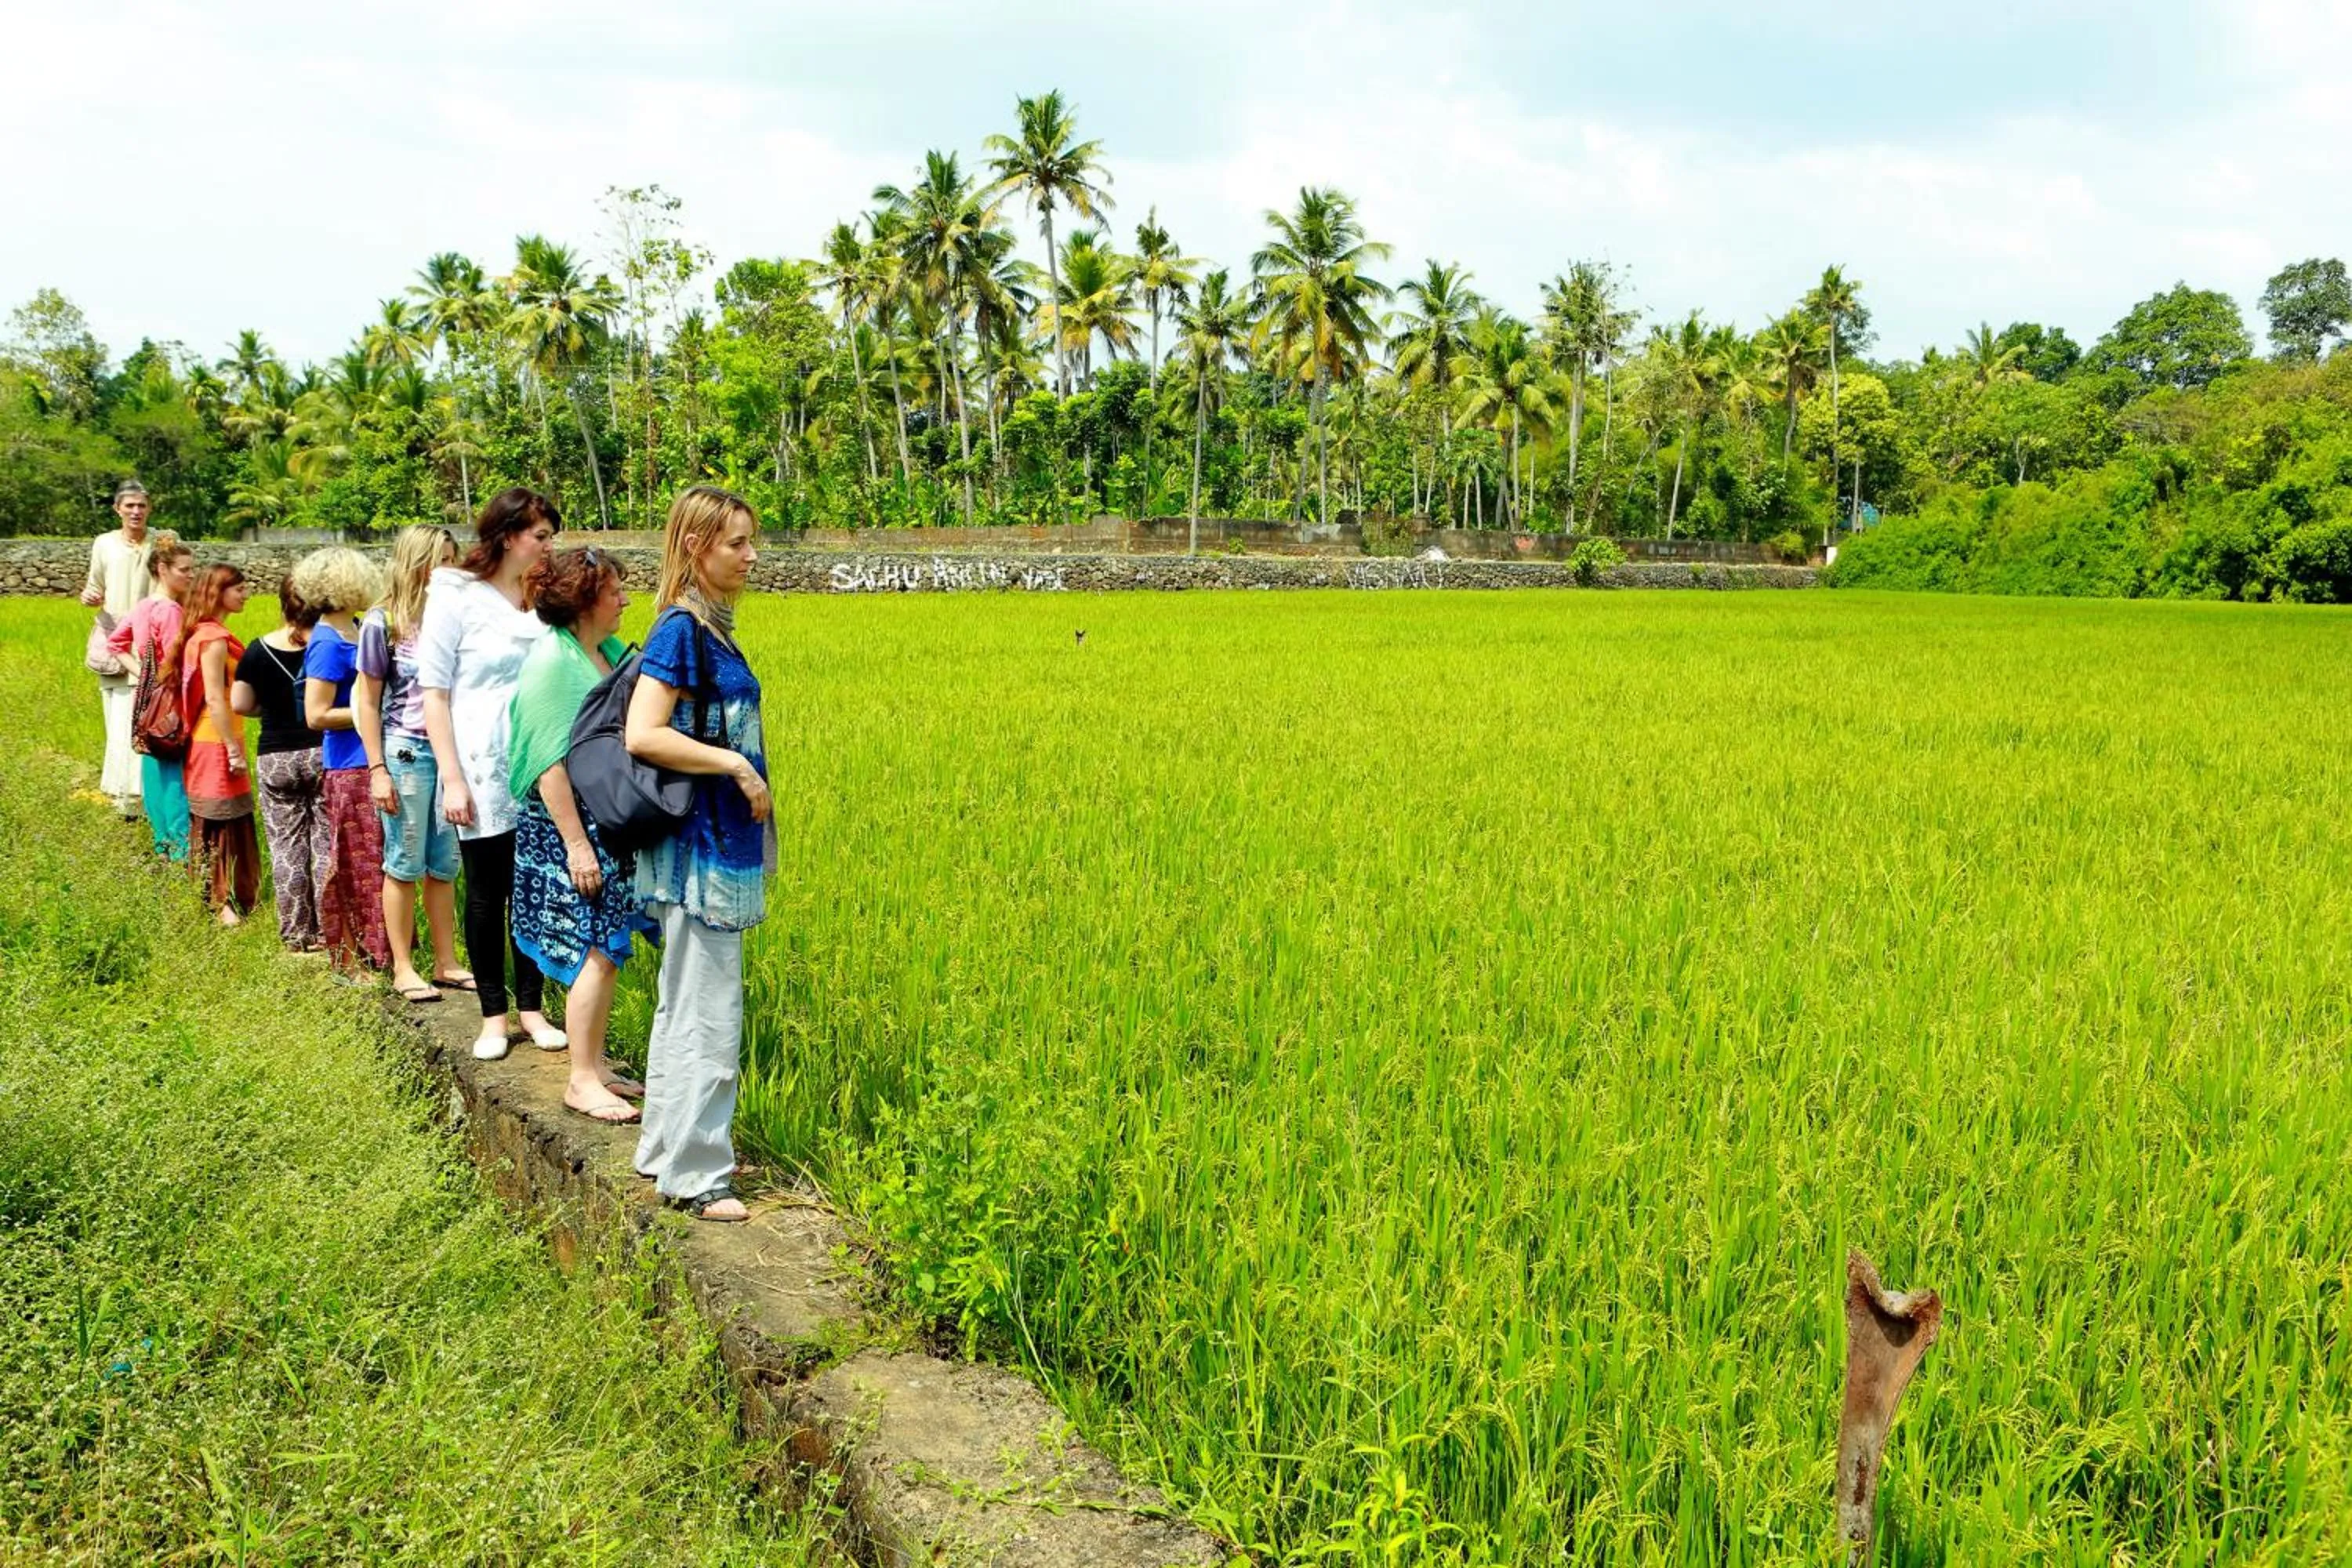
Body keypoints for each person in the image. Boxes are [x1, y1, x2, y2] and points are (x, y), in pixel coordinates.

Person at [625, 486, 771, 1223]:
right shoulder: (682, 630)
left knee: (682, 1004)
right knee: (710, 1012)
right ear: (694, 549)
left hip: (714, 848)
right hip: (702, 854)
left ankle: (663, 1150)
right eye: (735, 543)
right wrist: (736, 767)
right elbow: (643, 732)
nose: (751, 555)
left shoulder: (709, 628)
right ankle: (698, 1173)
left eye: (750, 541)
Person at [509, 547, 654, 1124]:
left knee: (609, 947)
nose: (624, 600)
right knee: (594, 947)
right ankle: (581, 1079)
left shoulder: (605, 652)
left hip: (605, 823)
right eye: (615, 590)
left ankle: (594, 1063)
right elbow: (549, 763)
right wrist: (576, 845)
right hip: (569, 827)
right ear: (586, 599)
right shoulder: (553, 663)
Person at [418, 488, 562, 1058]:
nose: (550, 546)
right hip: (479, 764)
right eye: (542, 536)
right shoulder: (456, 596)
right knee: (486, 892)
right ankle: (493, 1017)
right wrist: (452, 778)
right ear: (508, 537)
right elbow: (435, 693)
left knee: (533, 887)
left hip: (536, 763)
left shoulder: (537, 595)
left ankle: (533, 1009)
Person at [355, 525, 472, 1003]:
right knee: (404, 860)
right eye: (440, 559)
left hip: (453, 754)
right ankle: (403, 965)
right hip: (406, 749)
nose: (450, 568)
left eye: (453, 558)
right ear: (416, 563)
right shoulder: (383, 623)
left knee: (444, 862)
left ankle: (446, 961)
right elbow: (366, 700)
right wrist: (376, 768)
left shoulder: (457, 620)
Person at [296, 548, 393, 981]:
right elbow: (316, 715)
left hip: (371, 756)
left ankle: (379, 952)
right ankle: (351, 959)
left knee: (379, 863)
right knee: (356, 865)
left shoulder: (355, 630)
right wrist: (371, 710)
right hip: (349, 765)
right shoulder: (327, 642)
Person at [231, 577, 326, 951]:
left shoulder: (257, 650)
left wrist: (270, 708)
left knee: (286, 847)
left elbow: (240, 704)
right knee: (324, 845)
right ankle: (326, 931)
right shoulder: (330, 645)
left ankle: (295, 934)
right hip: (321, 751)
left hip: (275, 756)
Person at [173, 564, 260, 924]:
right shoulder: (213, 639)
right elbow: (214, 698)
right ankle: (221, 902)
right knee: (218, 819)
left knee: (230, 817)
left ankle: (233, 895)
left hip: (216, 737)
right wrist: (232, 748)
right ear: (218, 592)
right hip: (214, 740)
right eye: (238, 589)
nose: (245, 595)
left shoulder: (205, 634)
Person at [105, 533, 195, 860]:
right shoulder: (170, 610)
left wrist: (142, 673)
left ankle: (163, 845)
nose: (190, 575)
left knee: (153, 768)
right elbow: (179, 664)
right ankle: (181, 852)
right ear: (162, 568)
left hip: (146, 698)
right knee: (175, 772)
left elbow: (115, 643)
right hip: (170, 698)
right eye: (184, 569)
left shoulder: (143, 607)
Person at [82, 480, 158, 817]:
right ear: (118, 510)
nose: (136, 511)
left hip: (152, 643)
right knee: (118, 721)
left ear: (149, 508)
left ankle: (148, 797)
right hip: (115, 641)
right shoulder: (105, 544)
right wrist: (89, 597)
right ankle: (122, 800)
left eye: (141, 505)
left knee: (149, 717)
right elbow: (94, 586)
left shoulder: (162, 543)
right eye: (129, 506)